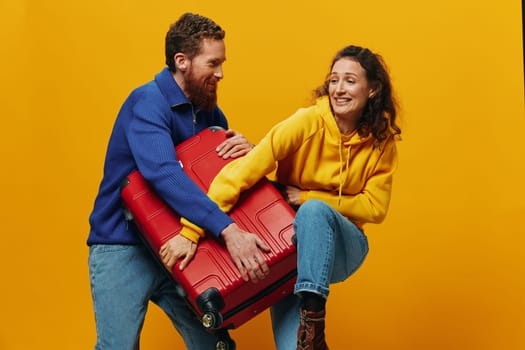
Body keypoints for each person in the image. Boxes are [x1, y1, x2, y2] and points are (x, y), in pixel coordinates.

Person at [164, 45, 402, 349]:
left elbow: (375, 207)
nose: (339, 89)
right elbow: (240, 173)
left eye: (350, 81)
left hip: (346, 244)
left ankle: (313, 320)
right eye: (334, 80)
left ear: (373, 89)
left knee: (314, 210)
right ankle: (311, 334)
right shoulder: (306, 122)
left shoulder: (382, 142)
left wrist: (306, 196)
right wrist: (191, 231)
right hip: (295, 254)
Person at [87, 13, 270, 350]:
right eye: (213, 62)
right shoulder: (147, 102)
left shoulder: (210, 113)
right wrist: (228, 231)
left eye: (222, 62)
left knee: (213, 344)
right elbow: (163, 174)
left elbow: (224, 181)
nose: (221, 73)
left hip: (181, 247)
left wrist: (252, 153)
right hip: (123, 247)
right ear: (181, 61)